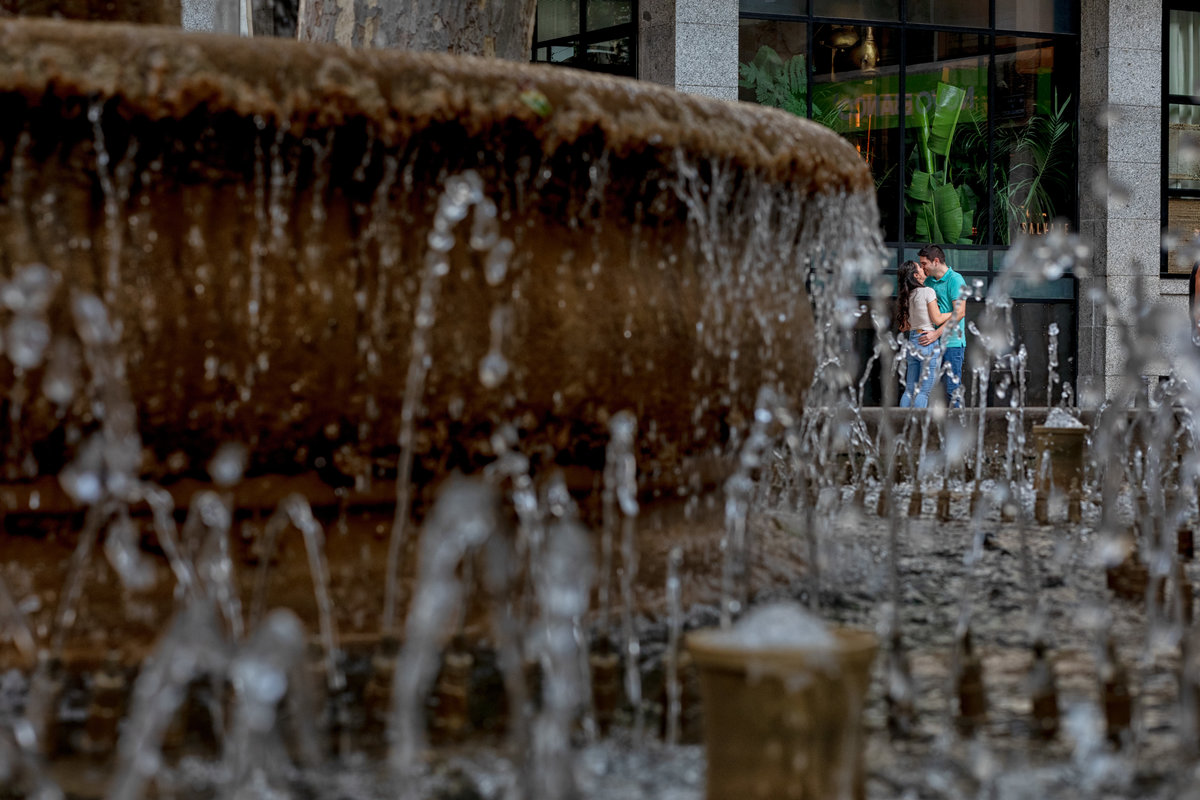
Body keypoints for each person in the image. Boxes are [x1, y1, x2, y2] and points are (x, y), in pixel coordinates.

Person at [917, 245, 967, 408]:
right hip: (931, 342)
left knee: (952, 390)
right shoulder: (929, 280)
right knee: (927, 389)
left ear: (936, 261)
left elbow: (960, 313)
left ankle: (958, 427)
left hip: (952, 343)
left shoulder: (956, 280)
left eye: (924, 263)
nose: (922, 267)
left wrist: (936, 334)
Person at [897, 260, 951, 408]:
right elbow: (937, 318)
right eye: (920, 268)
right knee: (924, 391)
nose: (923, 269)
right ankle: (919, 428)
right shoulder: (927, 291)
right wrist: (954, 313)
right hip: (927, 342)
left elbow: (904, 327)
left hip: (913, 341)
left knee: (909, 390)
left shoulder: (907, 296)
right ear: (916, 275)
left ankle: (900, 422)